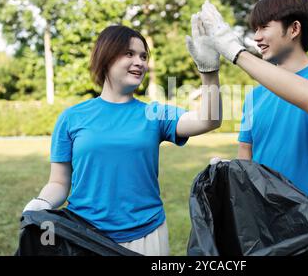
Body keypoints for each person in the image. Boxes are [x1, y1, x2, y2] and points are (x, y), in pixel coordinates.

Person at [22, 23, 222, 256]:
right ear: (106, 57)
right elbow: (58, 182)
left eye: (143, 56)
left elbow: (209, 120)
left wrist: (209, 72)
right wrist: (42, 203)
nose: (140, 62)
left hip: (147, 235)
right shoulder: (71, 117)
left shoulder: (154, 114)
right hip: (85, 236)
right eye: (129, 53)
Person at [198, 0, 308, 256]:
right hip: (263, 239)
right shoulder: (255, 96)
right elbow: (246, 167)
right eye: (254, 29)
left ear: (294, 29)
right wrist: (227, 172)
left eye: (263, 27)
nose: (256, 37)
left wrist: (236, 52)